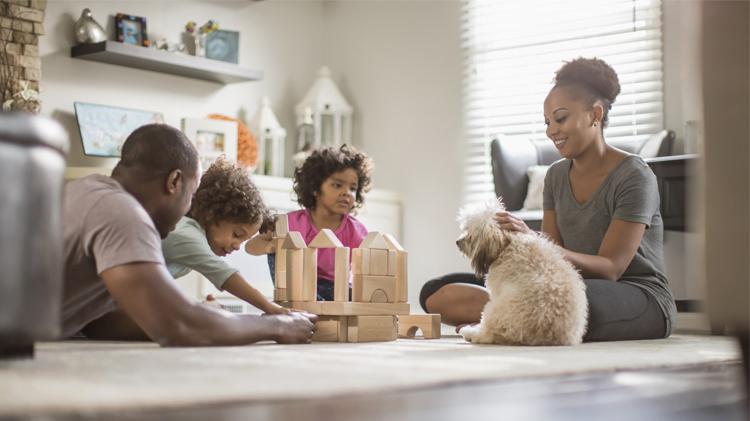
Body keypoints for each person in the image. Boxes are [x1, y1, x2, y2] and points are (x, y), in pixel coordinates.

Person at [421, 58, 677, 342]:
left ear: (595, 114)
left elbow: (611, 268)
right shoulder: (555, 176)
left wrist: (532, 237)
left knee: (557, 304)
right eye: (547, 122)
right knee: (435, 292)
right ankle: (509, 314)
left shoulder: (634, 175)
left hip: (636, 292)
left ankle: (506, 316)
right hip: (565, 283)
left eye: (561, 118)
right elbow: (552, 259)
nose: (551, 130)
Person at [61, 124, 317, 346]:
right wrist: (278, 326)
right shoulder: (123, 213)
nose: (189, 208)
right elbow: (178, 326)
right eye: (191, 195)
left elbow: (101, 324)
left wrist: (201, 313)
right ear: (174, 181)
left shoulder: (83, 191)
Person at [161, 157, 290, 315]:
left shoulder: (188, 231)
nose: (237, 246)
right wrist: (272, 308)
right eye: (237, 234)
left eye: (243, 241)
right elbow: (225, 275)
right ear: (212, 214)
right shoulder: (183, 234)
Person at [246, 144, 373, 301]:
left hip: (337, 292)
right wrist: (271, 246)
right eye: (337, 185)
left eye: (353, 188)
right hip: (298, 289)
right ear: (315, 188)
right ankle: (303, 306)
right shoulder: (294, 222)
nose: (346, 193)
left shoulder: (356, 230)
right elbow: (250, 246)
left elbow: (367, 266)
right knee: (279, 249)